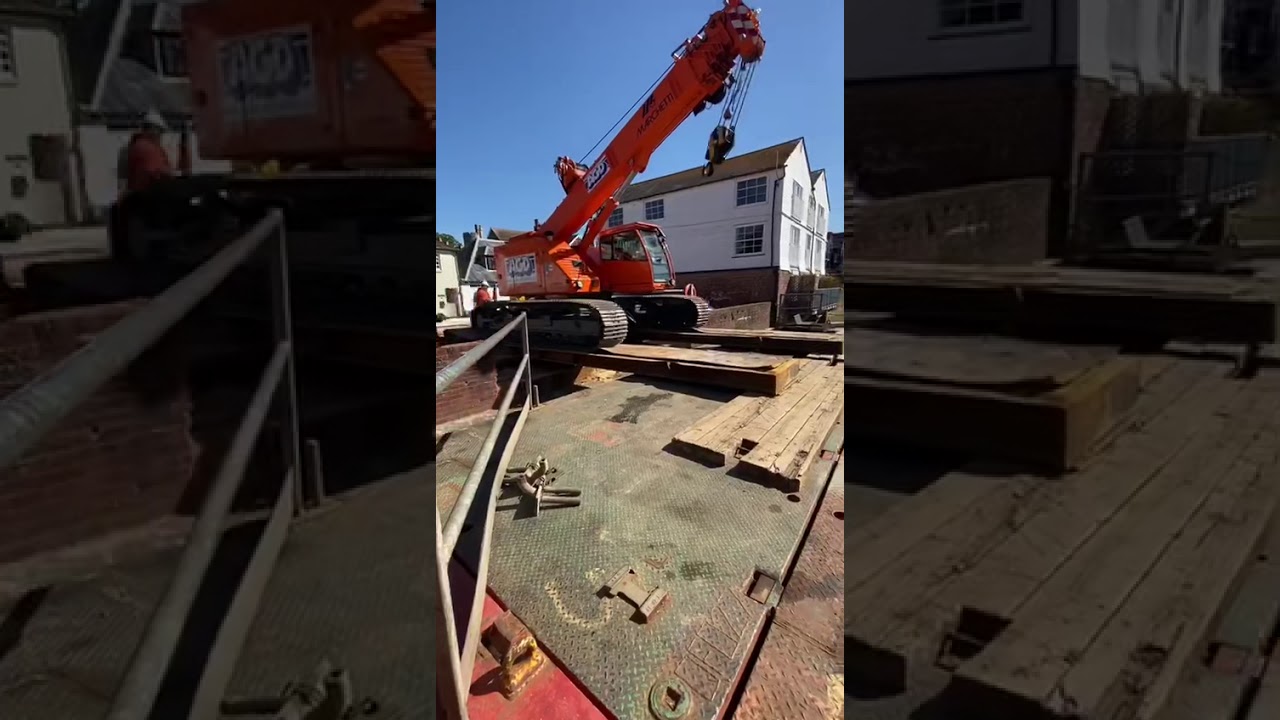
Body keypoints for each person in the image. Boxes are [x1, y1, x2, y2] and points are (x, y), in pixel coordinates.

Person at [119, 110, 173, 197]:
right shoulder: (147, 148)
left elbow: (122, 181)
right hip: (148, 200)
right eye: (160, 131)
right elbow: (158, 174)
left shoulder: (128, 149)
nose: (161, 135)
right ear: (152, 129)